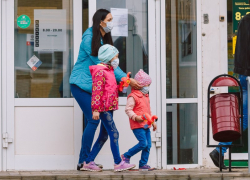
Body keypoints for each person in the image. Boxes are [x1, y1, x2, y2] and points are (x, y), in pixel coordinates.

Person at [69, 9, 142, 170]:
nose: (112, 23)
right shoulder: (89, 39)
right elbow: (106, 63)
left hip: (97, 88)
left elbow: (110, 68)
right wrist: (127, 80)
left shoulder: (104, 38)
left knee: (105, 129)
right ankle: (84, 161)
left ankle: (89, 160)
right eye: (109, 19)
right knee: (93, 120)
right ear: (100, 22)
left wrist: (122, 83)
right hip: (81, 86)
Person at [81, 44, 136, 172]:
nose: (117, 59)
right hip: (103, 107)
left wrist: (121, 86)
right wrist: (95, 109)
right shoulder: (100, 71)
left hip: (109, 106)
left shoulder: (109, 70)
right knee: (114, 133)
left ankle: (88, 162)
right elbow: (97, 91)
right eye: (115, 57)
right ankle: (118, 163)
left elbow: (110, 89)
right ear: (109, 57)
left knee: (104, 135)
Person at [209, 74, 248, 169]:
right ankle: (219, 150)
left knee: (244, 120)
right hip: (246, 76)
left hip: (244, 75)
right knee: (244, 120)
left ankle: (219, 151)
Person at [121, 69, 157, 171]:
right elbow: (128, 110)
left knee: (148, 145)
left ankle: (143, 164)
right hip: (137, 125)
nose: (148, 87)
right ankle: (126, 156)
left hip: (146, 125)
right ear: (140, 85)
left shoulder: (145, 96)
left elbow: (148, 112)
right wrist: (136, 117)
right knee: (143, 143)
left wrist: (153, 122)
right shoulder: (133, 96)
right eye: (147, 85)